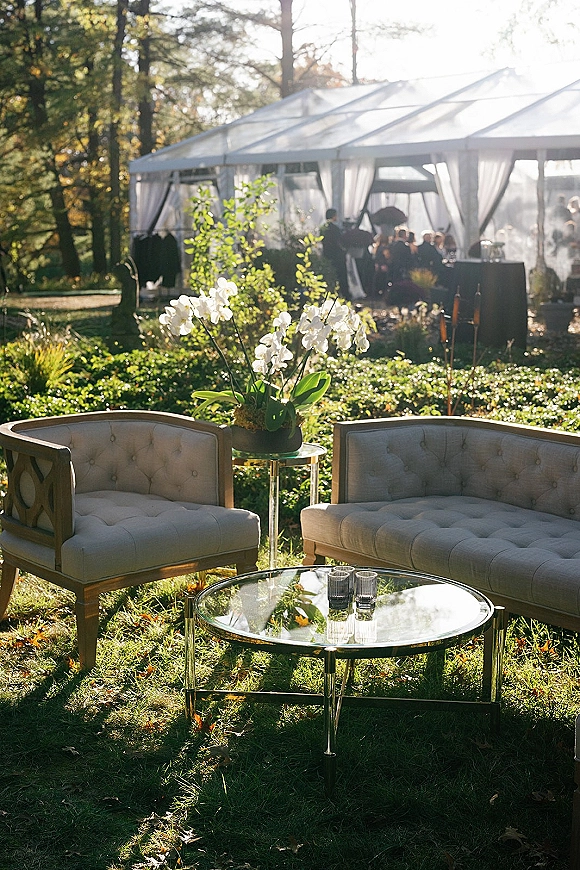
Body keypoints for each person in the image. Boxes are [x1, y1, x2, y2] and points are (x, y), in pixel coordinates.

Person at [321, 208, 348, 295]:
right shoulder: (335, 229)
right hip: (337, 256)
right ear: (334, 216)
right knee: (341, 275)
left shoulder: (323, 228)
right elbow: (338, 242)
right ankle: (344, 293)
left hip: (327, 254)